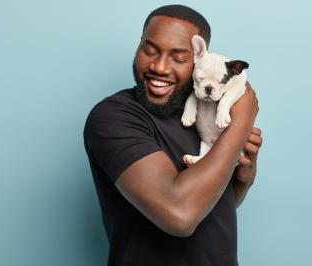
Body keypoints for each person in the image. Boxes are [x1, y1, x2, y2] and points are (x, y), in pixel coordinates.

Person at [83, 5, 262, 266]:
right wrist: (242, 123)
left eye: (178, 57)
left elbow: (213, 208)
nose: (160, 67)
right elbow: (181, 216)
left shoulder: (206, 113)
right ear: (138, 46)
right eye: (150, 50)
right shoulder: (114, 117)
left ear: (199, 58)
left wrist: (243, 180)